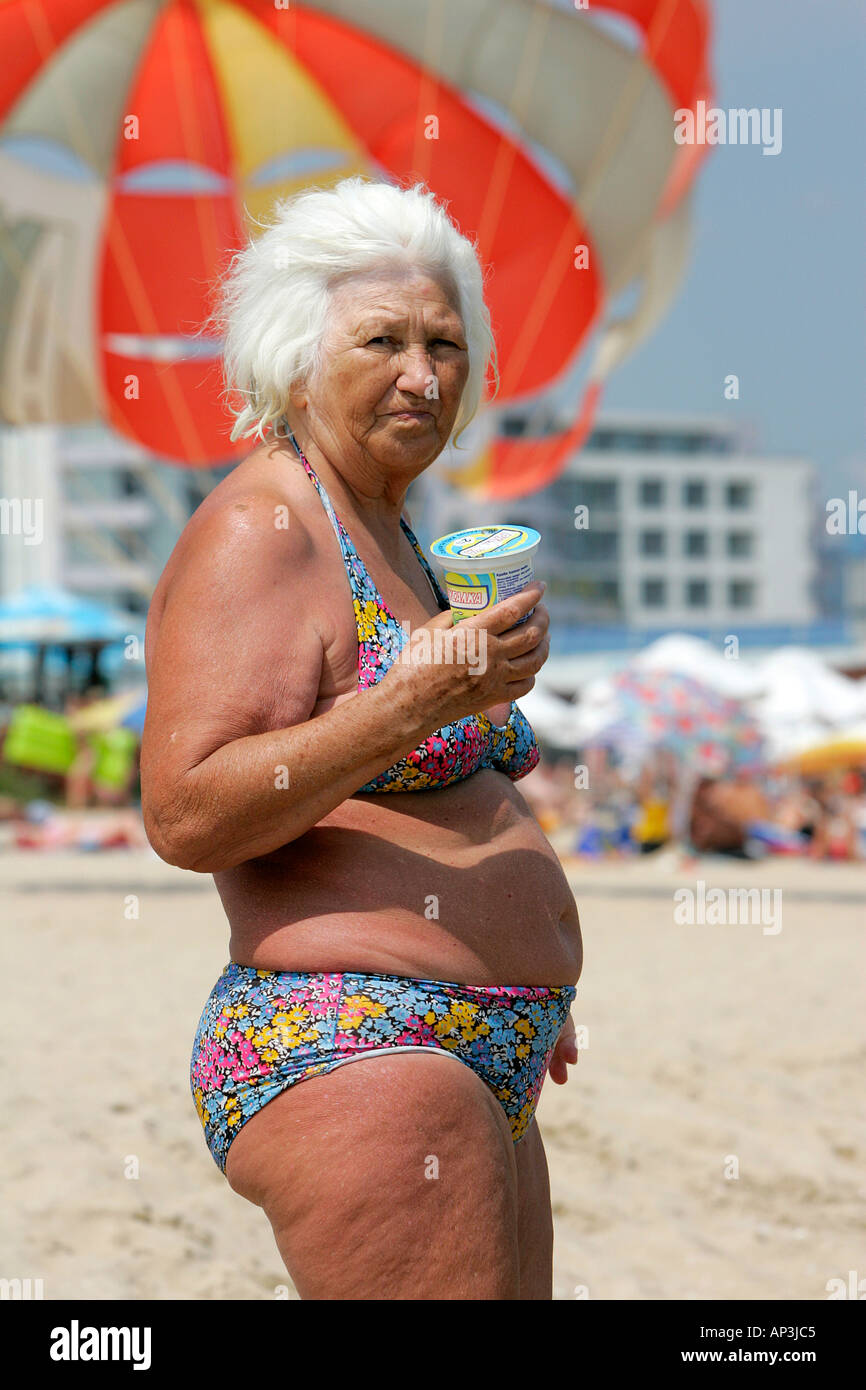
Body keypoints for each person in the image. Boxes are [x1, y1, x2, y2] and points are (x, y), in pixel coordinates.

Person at [141, 177, 583, 1300]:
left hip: (475, 1054)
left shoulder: (395, 534)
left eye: (444, 344)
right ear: (295, 359)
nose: (422, 375)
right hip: (355, 1047)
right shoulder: (265, 525)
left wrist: (526, 985)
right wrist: (407, 708)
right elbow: (186, 811)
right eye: (381, 340)